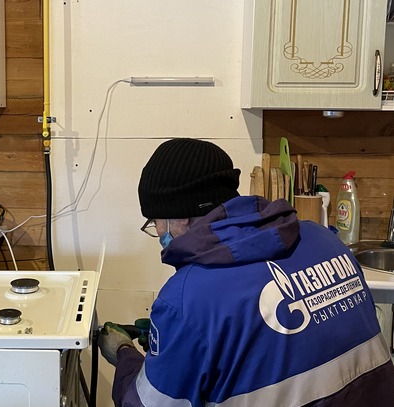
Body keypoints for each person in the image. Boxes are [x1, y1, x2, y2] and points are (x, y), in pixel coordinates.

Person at [97, 138, 394, 406]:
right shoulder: (326, 241)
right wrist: (178, 341)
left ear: (180, 217)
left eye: (155, 221)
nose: (159, 232)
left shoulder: (186, 298)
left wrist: (124, 354)